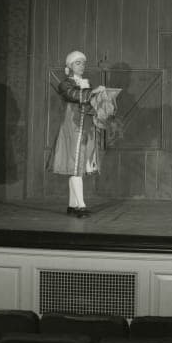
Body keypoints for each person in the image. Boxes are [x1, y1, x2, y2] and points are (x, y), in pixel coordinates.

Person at [50, 50, 106, 218]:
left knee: (77, 167)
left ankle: (72, 205)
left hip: (83, 127)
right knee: (76, 167)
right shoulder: (65, 84)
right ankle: (80, 206)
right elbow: (74, 95)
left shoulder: (85, 84)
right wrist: (93, 92)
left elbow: (88, 104)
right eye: (77, 63)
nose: (81, 66)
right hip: (72, 129)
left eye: (83, 63)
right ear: (69, 66)